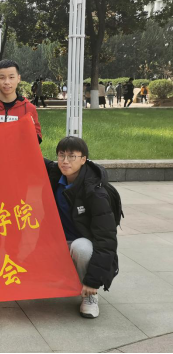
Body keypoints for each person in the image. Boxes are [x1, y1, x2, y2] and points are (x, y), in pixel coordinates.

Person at [45, 137, 119, 319]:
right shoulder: (55, 174)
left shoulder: (95, 192)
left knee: (82, 248)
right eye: (61, 155)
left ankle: (90, 296)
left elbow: (106, 240)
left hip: (80, 244)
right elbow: (28, 155)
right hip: (56, 242)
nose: (65, 161)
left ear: (83, 159)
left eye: (72, 156)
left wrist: (93, 281)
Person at [0, 59, 42, 143]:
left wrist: (27, 130)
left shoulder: (29, 108)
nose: (7, 82)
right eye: (2, 78)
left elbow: (37, 140)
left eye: (11, 77)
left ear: (18, 78)